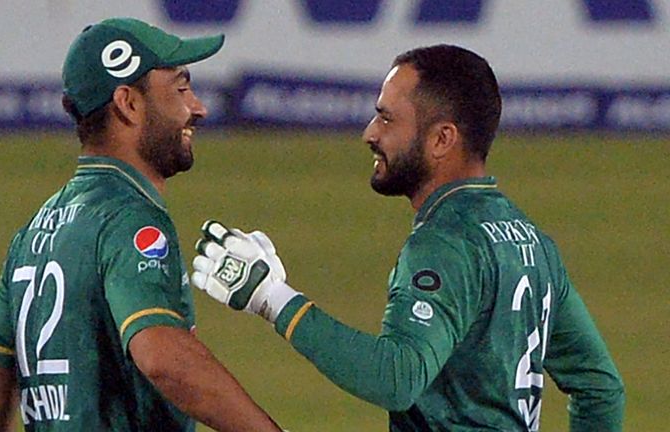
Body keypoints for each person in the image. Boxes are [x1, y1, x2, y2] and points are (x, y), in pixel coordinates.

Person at [191, 45, 625, 431]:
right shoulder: (530, 240)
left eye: (386, 118)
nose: (370, 133)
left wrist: (271, 298)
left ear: (441, 139)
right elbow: (600, 386)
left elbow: (396, 379)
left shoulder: (446, 243)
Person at [0, 17, 284, 432]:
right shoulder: (130, 219)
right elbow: (162, 357)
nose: (198, 108)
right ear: (128, 103)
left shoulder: (33, 232)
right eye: (181, 89)